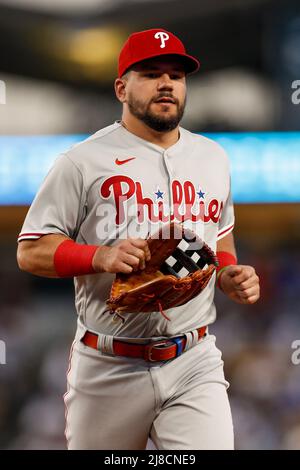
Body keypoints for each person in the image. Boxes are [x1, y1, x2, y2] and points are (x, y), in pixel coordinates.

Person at [17, 28, 260, 450]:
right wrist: (100, 256)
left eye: (176, 75)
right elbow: (31, 251)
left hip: (193, 358)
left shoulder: (212, 157)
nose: (167, 83)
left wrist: (228, 275)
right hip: (109, 364)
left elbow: (220, 239)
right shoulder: (81, 161)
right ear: (121, 88)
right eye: (151, 73)